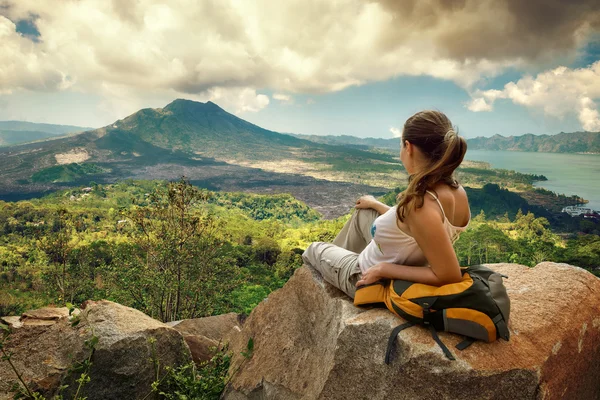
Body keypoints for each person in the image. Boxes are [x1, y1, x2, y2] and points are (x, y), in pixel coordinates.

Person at [302, 110, 471, 298]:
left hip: (368, 275)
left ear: (409, 147)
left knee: (314, 248)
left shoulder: (421, 205)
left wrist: (384, 269)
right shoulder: (457, 191)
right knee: (363, 213)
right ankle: (340, 261)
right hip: (399, 254)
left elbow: (449, 275)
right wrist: (375, 204)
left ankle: (341, 271)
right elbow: (412, 229)